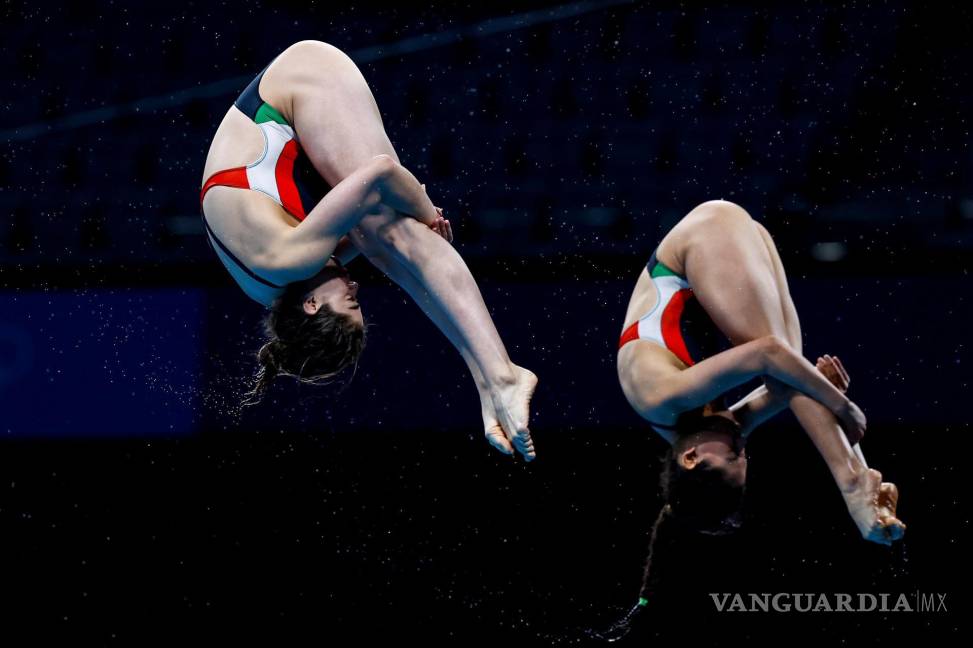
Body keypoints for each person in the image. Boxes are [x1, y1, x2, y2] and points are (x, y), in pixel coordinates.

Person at [199, 40, 536, 460]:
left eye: (350, 299)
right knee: (377, 239)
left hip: (305, 77)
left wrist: (426, 215)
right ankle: (486, 377)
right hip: (282, 104)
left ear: (310, 306)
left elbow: (382, 174)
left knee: (394, 231)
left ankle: (501, 376)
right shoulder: (272, 287)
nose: (354, 284)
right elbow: (348, 242)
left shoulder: (289, 260)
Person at [598, 199, 904, 641]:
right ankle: (858, 481)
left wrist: (841, 405)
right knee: (792, 365)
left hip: (700, 241)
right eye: (745, 453)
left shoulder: (660, 399)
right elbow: (783, 388)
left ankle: (852, 483)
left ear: (690, 458)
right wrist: (820, 383)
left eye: (735, 454)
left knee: (777, 352)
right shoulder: (709, 431)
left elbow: (768, 357)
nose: (742, 442)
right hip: (733, 242)